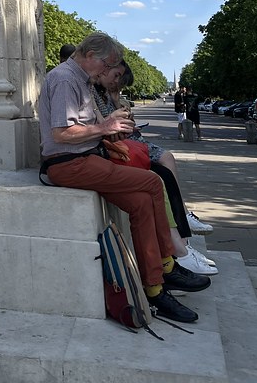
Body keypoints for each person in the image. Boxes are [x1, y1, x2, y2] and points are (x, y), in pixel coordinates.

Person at [38, 32, 210, 324]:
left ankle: (154, 286)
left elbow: (82, 130)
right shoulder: (66, 79)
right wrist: (105, 127)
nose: (106, 72)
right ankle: (167, 266)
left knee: (141, 202)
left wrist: (110, 134)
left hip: (85, 158)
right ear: (90, 55)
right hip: (68, 164)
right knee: (153, 182)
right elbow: (61, 133)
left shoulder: (81, 78)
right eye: (106, 66)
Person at [94, 65, 216, 276]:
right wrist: (117, 118)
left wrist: (121, 114)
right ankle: (178, 250)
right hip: (115, 151)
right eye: (116, 76)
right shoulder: (89, 89)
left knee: (163, 173)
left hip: (122, 147)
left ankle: (181, 245)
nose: (116, 82)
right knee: (157, 180)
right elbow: (101, 127)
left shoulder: (99, 90)